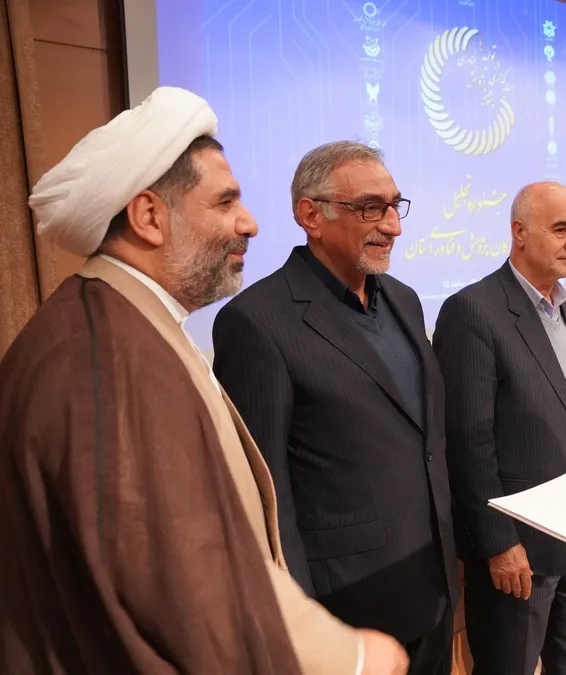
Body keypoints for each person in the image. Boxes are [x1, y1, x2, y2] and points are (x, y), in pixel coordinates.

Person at [1, 87, 406, 674]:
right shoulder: (109, 357)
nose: (250, 223)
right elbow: (182, 577)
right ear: (149, 217)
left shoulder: (125, 325)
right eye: (224, 203)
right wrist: (354, 659)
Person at [213, 141, 457, 674]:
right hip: (345, 610)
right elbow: (264, 495)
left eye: (394, 206)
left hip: (433, 590)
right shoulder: (256, 321)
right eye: (370, 208)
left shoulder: (403, 299)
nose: (392, 225)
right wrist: (302, 628)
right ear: (310, 216)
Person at [434, 182, 566, 675]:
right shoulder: (473, 310)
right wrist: (498, 542)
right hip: (520, 551)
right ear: (519, 232)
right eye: (561, 229)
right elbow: (467, 443)